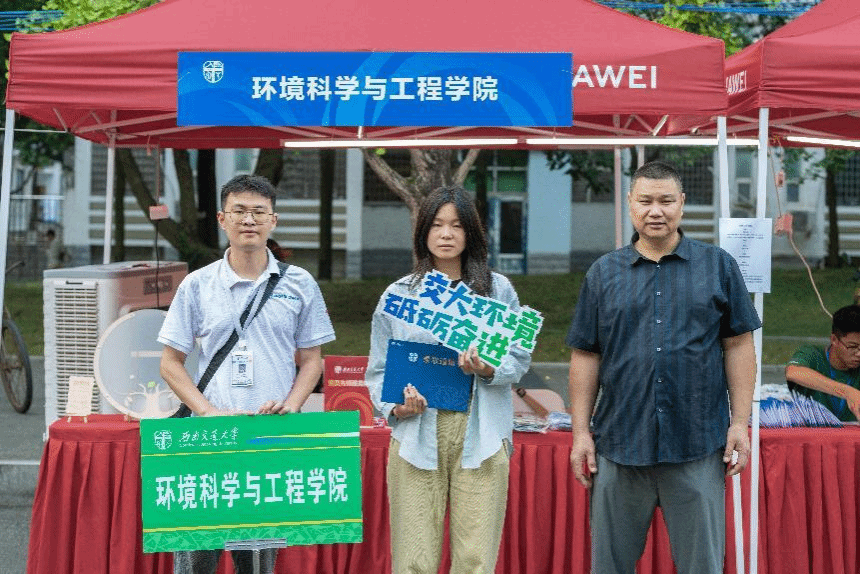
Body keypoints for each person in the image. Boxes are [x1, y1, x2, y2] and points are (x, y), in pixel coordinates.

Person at [567, 160, 761, 574]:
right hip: (619, 444)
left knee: (702, 565)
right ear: (630, 204)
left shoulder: (718, 266)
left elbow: (739, 344)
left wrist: (740, 423)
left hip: (697, 444)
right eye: (646, 201)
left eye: (666, 201)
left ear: (682, 204)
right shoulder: (603, 273)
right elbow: (586, 354)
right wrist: (581, 432)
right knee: (610, 566)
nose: (656, 211)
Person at [158, 174, 335, 574]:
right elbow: (170, 363)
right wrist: (206, 411)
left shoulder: (299, 283)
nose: (249, 220)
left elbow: (312, 360)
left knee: (256, 562)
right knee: (196, 559)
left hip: (268, 435)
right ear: (222, 219)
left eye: (259, 212)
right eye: (239, 211)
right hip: (208, 438)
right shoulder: (197, 285)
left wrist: (293, 405)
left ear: (273, 220)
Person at [365, 185, 531, 574]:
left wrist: (487, 368)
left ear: (470, 233)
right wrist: (397, 407)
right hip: (417, 432)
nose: (446, 234)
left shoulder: (498, 291)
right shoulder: (399, 294)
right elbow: (378, 369)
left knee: (476, 557)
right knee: (413, 556)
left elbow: (518, 357)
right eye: (437, 225)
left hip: (481, 432)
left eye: (456, 226)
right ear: (423, 231)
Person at [785, 304, 860, 421]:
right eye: (852, 347)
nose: (858, 353)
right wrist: (847, 392)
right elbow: (793, 372)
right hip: (809, 431)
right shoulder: (812, 354)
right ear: (834, 339)